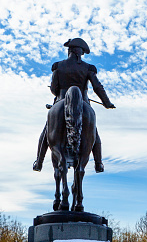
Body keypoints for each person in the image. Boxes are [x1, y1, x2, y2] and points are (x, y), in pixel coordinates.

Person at [33, 38, 115, 173]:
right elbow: (97, 87)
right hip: (83, 102)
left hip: (61, 99)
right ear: (80, 53)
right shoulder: (88, 68)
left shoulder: (58, 66)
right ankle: (99, 163)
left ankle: (39, 162)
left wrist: (59, 94)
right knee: (94, 132)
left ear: (70, 51)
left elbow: (54, 89)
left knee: (46, 131)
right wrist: (107, 103)